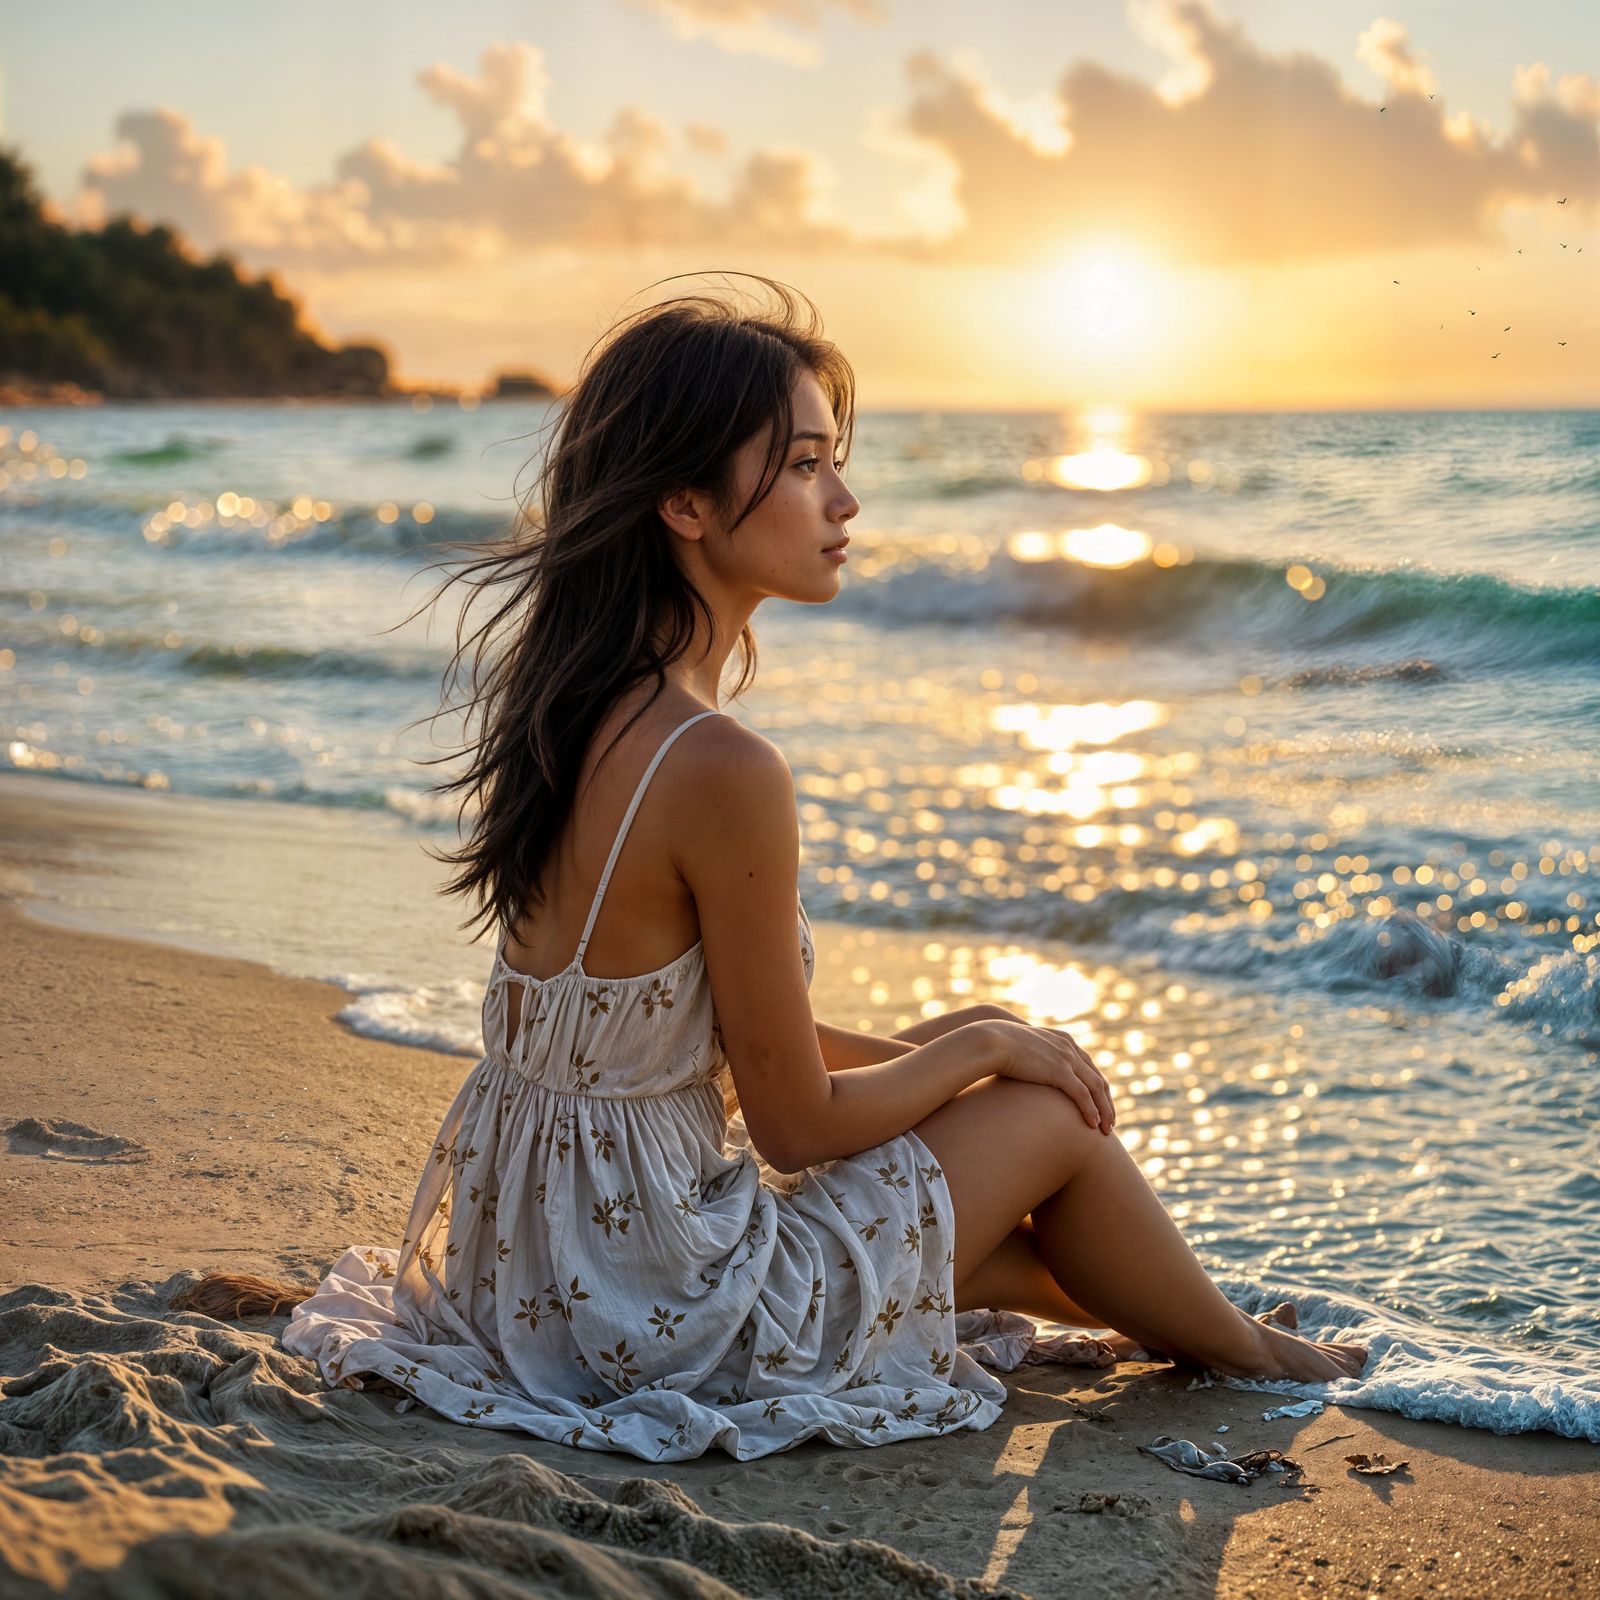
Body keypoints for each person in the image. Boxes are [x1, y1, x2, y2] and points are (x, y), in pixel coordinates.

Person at [175, 273, 1367, 1461]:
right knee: (1048, 1115)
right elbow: (793, 1122)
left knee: (983, 1095)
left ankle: (1181, 1315)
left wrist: (956, 1041)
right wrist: (988, 1051)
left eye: (831, 461)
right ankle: (1251, 1353)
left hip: (534, 1266)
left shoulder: (574, 703)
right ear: (686, 504)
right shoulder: (718, 763)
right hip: (654, 1310)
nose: (842, 500)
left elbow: (698, 1037)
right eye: (801, 465)